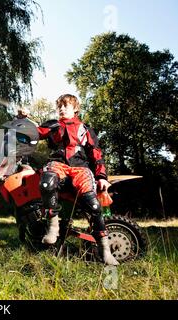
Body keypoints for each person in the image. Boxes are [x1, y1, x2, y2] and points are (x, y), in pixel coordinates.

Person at [36, 94, 119, 266]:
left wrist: (102, 177)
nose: (61, 109)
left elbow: (96, 154)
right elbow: (35, 133)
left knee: (94, 205)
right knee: (46, 182)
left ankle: (105, 250)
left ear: (75, 108)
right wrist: (22, 121)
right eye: (59, 106)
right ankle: (53, 228)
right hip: (57, 164)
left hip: (81, 168)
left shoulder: (85, 129)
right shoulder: (52, 125)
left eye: (66, 105)